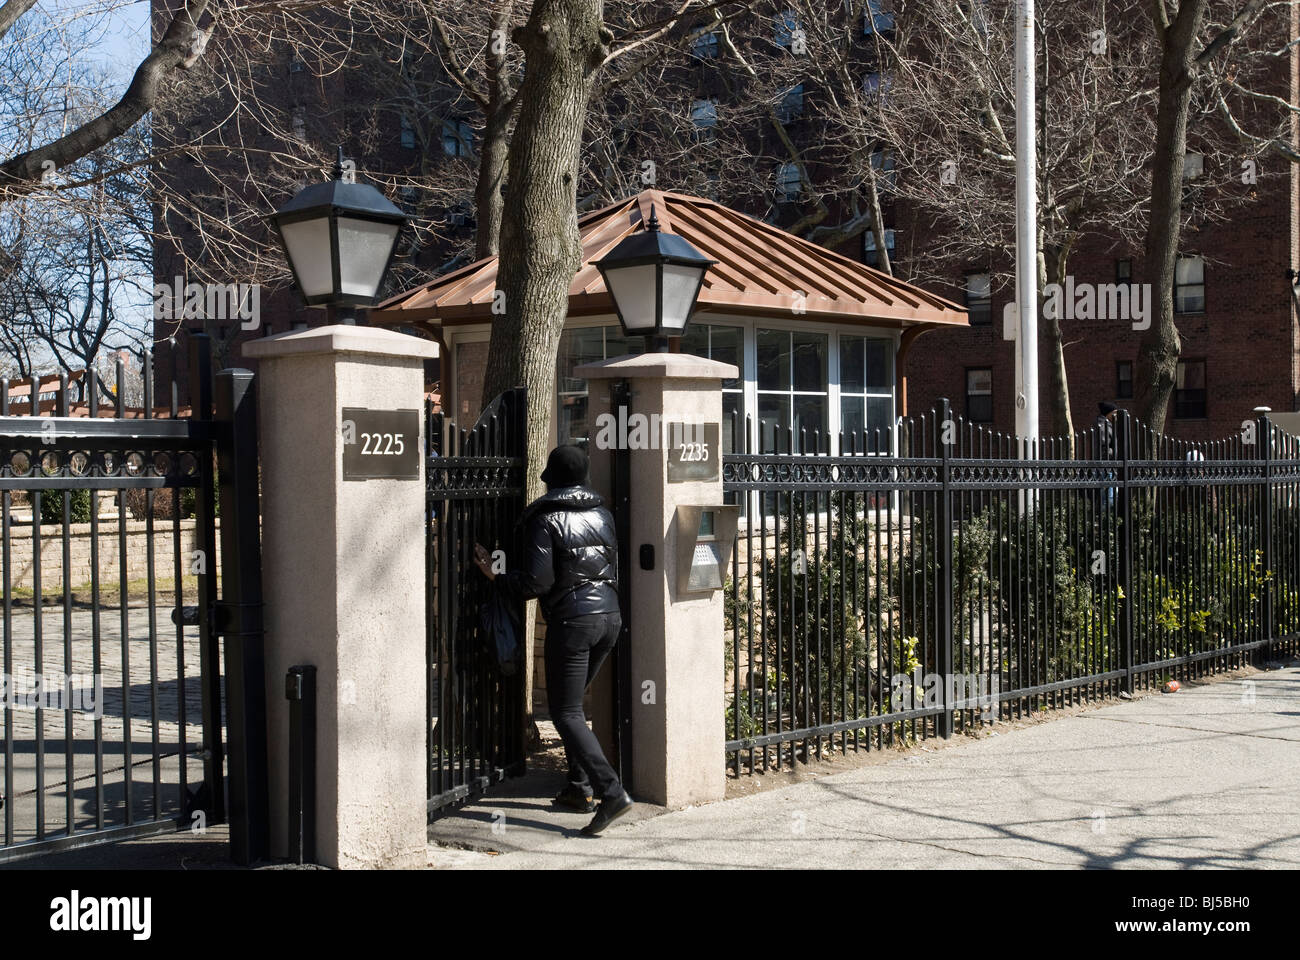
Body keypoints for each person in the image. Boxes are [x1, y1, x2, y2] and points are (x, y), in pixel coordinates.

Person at [472, 444, 633, 837]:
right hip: (609, 618)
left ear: (552, 479)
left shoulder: (544, 519)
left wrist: (497, 578)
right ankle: (579, 789)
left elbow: (537, 582)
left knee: (565, 713)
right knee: (574, 707)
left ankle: (611, 793)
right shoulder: (603, 513)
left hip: (573, 622)